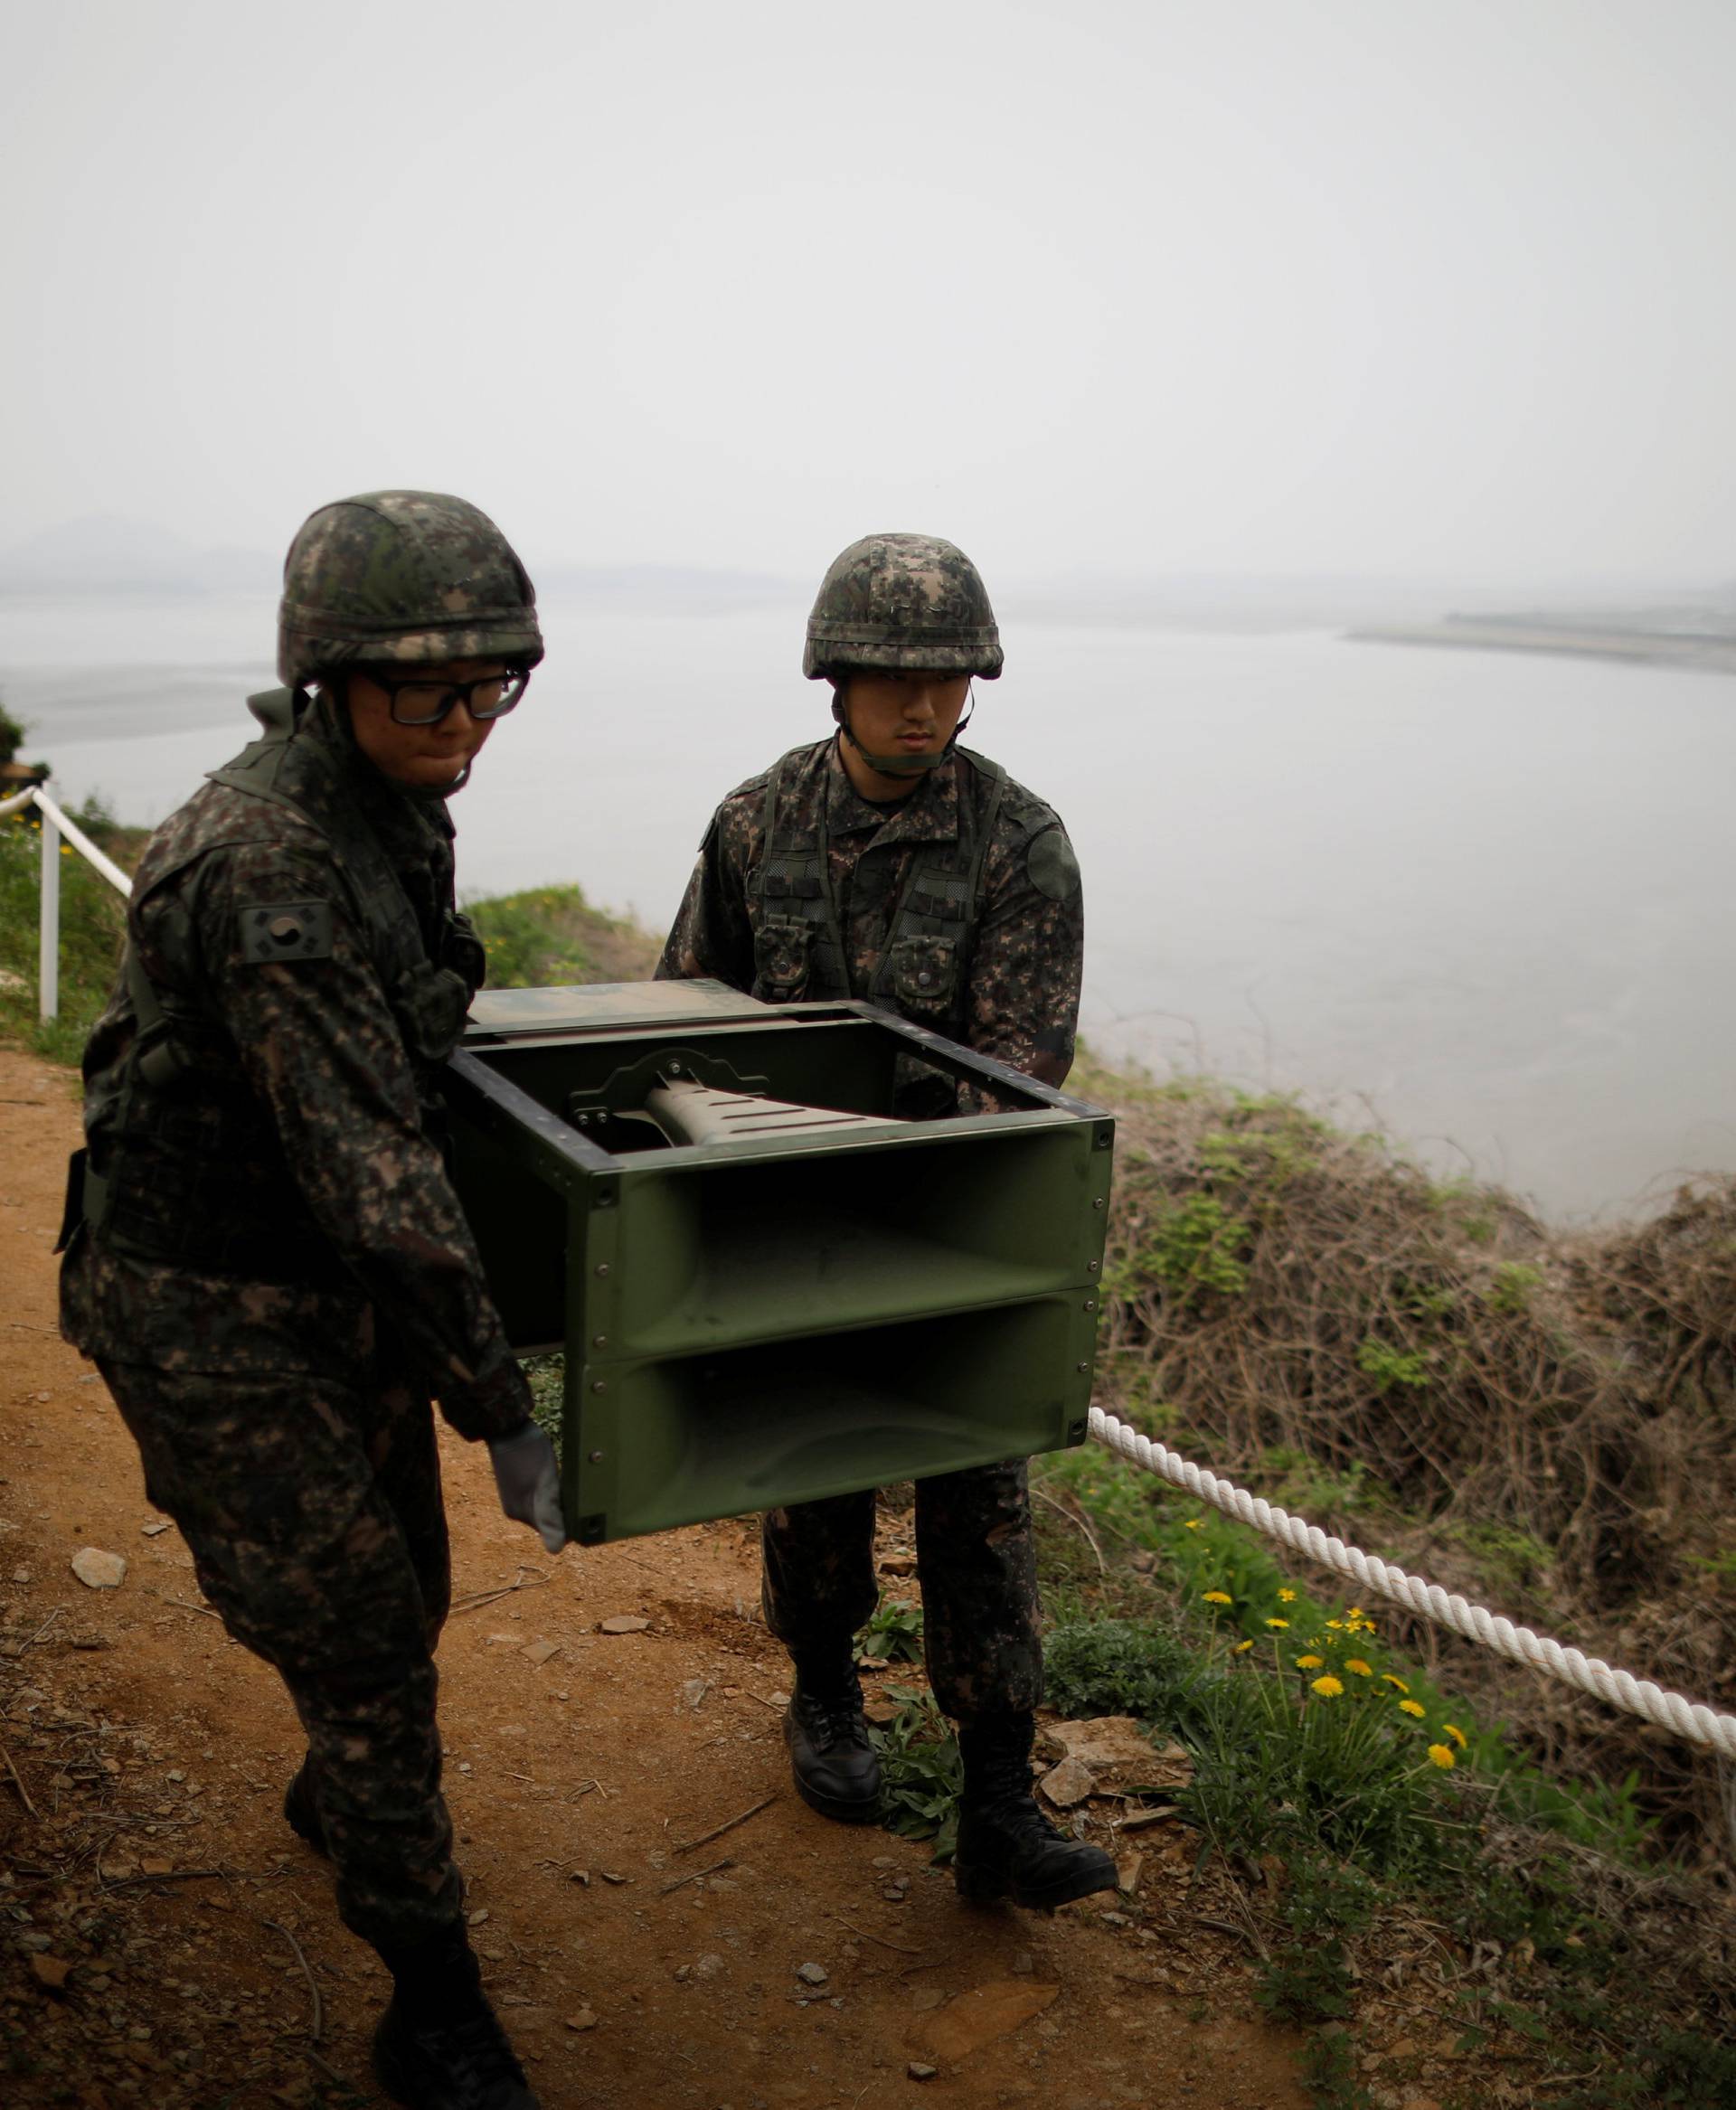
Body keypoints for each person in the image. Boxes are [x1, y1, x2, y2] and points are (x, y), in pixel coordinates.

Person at [59, 491, 563, 2110]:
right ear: (330, 676)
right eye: (434, 688)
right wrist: (503, 1402)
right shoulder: (266, 859)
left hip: (322, 1283)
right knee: (362, 1643)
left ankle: (339, 1784)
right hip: (205, 1300)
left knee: (399, 1592)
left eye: (497, 683)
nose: (470, 721)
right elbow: (374, 1178)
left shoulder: (391, 794)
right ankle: (433, 2002)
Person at [657, 532, 1118, 1911]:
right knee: (816, 1481)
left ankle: (994, 1801)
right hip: (787, 1223)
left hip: (951, 1240)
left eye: (948, 676)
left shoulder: (1019, 842)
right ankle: (823, 1695)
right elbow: (688, 1008)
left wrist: (916, 1218)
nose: (923, 703)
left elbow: (1021, 1062)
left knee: (980, 1510)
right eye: (892, 675)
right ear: (837, 675)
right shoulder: (755, 823)